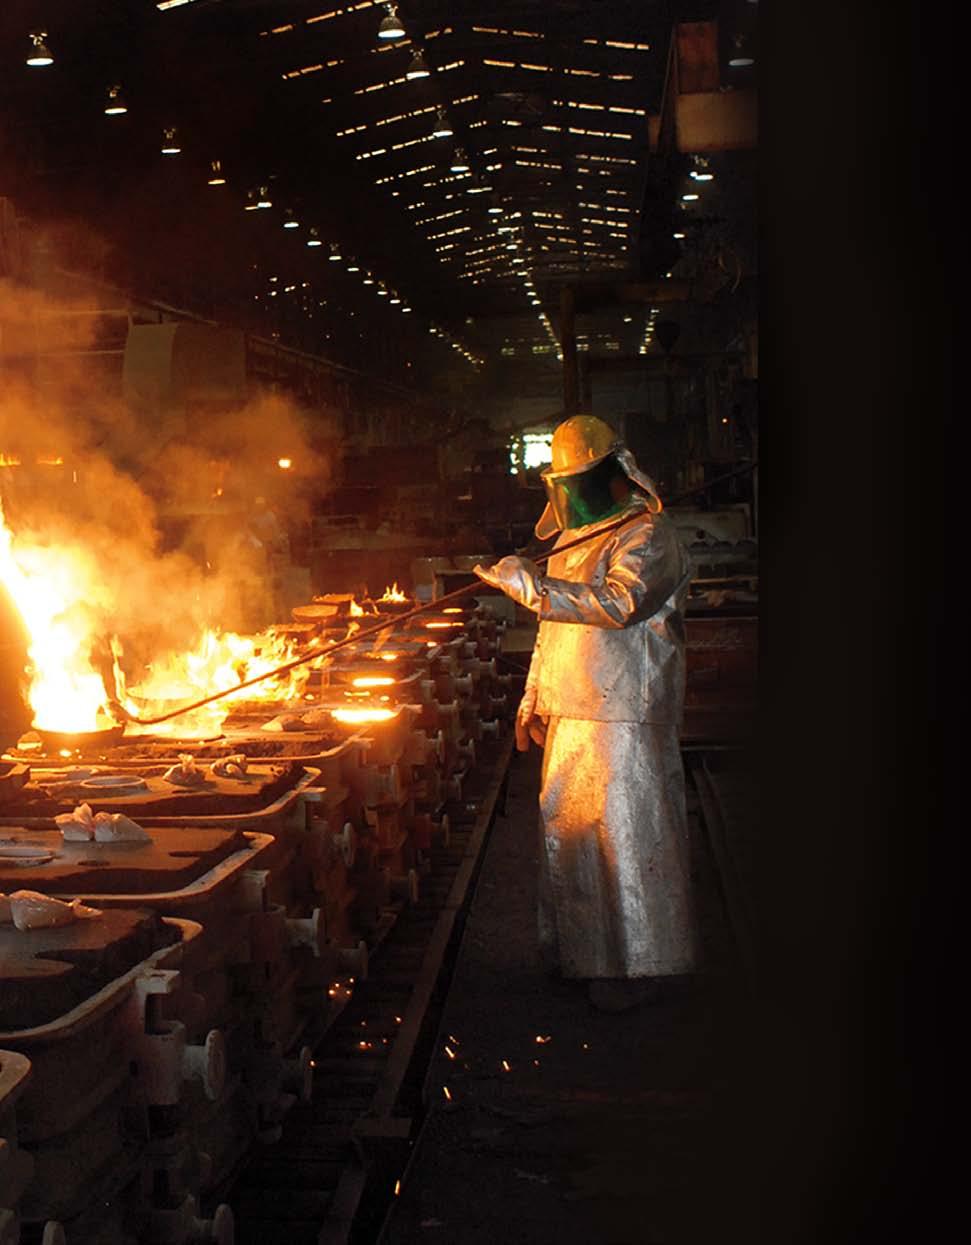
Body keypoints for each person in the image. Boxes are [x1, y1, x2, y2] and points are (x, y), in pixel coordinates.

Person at [474, 415, 697, 1012]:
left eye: (579, 480)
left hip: (625, 713)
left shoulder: (647, 537)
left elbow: (620, 604)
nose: (571, 492)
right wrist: (533, 698)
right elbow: (556, 631)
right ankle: (585, 957)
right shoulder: (575, 544)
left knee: (628, 840)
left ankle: (642, 967)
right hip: (573, 711)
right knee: (573, 844)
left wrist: (533, 588)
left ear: (613, 473)